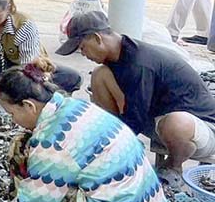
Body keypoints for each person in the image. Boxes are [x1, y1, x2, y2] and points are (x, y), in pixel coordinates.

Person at [0, 62, 169, 202]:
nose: (13, 121)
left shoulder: (52, 141)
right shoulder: (76, 107)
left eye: (12, 114)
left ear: (29, 106)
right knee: (29, 148)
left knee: (25, 158)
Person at [56, 11, 215, 188]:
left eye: (82, 48)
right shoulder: (119, 54)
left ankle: (173, 167)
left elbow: (135, 117)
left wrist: (109, 148)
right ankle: (118, 142)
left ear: (97, 38)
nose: (83, 54)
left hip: (201, 129)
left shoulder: (140, 63)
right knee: (100, 75)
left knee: (176, 122)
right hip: (157, 120)